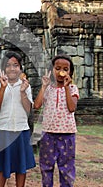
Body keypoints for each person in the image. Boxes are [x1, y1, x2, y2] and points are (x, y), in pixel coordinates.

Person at [33, 54, 79, 187]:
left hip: (67, 134)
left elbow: (72, 108)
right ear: (52, 70)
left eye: (65, 69)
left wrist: (66, 88)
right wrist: (43, 86)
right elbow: (36, 106)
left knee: (67, 169)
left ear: (70, 72)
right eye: (57, 68)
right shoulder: (47, 89)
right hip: (48, 134)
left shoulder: (72, 89)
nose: (61, 72)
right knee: (46, 168)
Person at [0, 51, 36, 187]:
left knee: (21, 167)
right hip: (4, 130)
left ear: (20, 69)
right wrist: (3, 88)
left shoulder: (25, 86)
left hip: (21, 130)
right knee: (2, 167)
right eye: (8, 65)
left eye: (15, 65)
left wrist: (23, 91)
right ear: (3, 69)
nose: (12, 68)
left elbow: (28, 109)